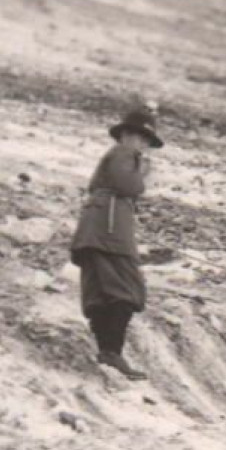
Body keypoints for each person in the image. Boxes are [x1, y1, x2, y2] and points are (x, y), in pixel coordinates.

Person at [70, 107, 162, 380]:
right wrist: (142, 174)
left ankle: (107, 353)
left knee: (100, 291)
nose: (144, 146)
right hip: (108, 232)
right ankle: (112, 352)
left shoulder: (117, 155)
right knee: (126, 289)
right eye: (141, 138)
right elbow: (129, 186)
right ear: (127, 135)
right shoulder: (125, 154)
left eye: (147, 141)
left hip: (97, 229)